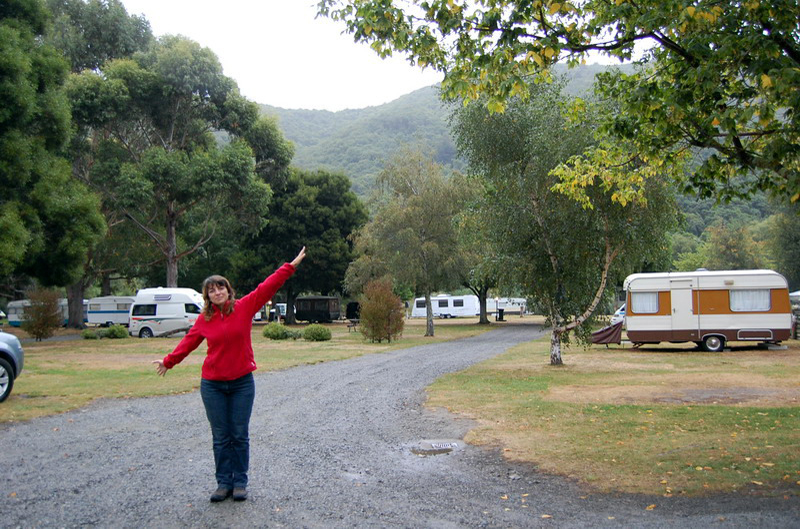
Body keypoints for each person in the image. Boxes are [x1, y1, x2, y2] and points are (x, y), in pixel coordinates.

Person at [153, 247, 306, 503]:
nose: (217, 292)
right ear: (208, 296)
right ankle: (223, 483)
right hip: (212, 386)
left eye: (220, 287)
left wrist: (290, 265)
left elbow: (267, 286)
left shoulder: (245, 307)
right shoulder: (204, 319)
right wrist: (169, 361)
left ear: (228, 290)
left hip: (241, 384)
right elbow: (189, 343)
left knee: (239, 434)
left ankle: (240, 483)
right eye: (212, 290)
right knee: (221, 437)